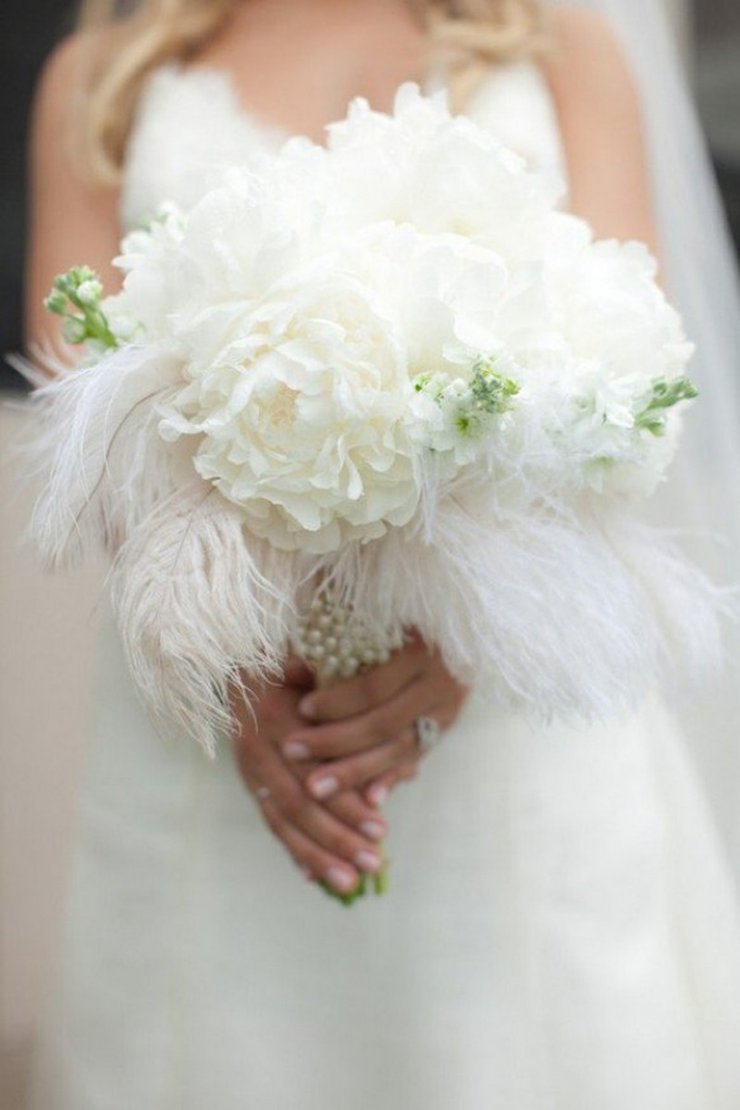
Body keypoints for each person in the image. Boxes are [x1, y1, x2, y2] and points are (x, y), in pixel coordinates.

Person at [24, 1, 740, 1106]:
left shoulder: (560, 49)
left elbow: (635, 385)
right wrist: (228, 655)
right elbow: (83, 412)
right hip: (213, 720)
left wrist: (479, 626)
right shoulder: (101, 79)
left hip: (508, 716)